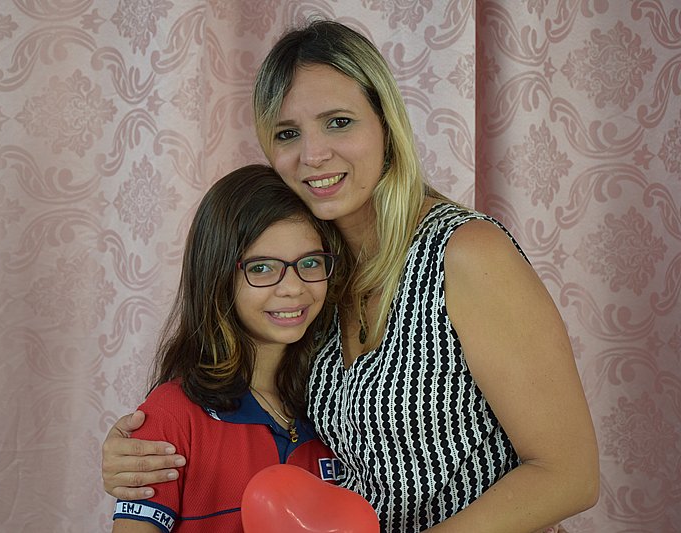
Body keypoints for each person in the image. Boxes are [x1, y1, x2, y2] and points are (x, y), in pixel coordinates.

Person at [103, 20, 600, 532]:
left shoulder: (465, 252)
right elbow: (250, 398)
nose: (313, 154)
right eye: (288, 133)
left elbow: (569, 475)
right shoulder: (313, 274)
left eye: (338, 122)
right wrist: (140, 448)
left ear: (386, 123)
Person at [111, 164, 346, 532]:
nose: (293, 288)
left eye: (311, 263)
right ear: (217, 276)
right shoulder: (172, 416)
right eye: (262, 268)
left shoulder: (343, 406)